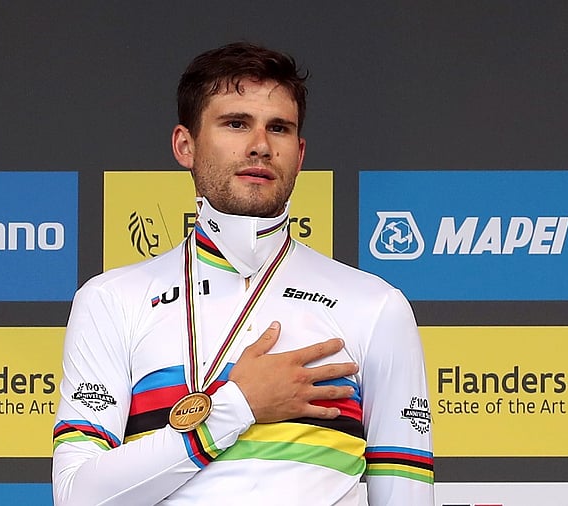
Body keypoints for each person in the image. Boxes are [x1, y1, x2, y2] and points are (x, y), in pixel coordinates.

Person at [52, 41, 434, 505]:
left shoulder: (374, 305)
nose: (260, 145)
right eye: (236, 123)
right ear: (185, 145)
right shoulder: (113, 299)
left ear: (300, 151)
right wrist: (238, 407)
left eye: (279, 128)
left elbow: (406, 497)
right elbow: (78, 496)